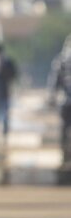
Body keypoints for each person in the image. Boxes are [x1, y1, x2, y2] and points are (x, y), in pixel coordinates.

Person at [48, 34, 71, 164]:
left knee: (64, 128)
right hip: (66, 100)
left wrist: (52, 97)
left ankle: (65, 155)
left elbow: (54, 81)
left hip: (65, 100)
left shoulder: (61, 60)